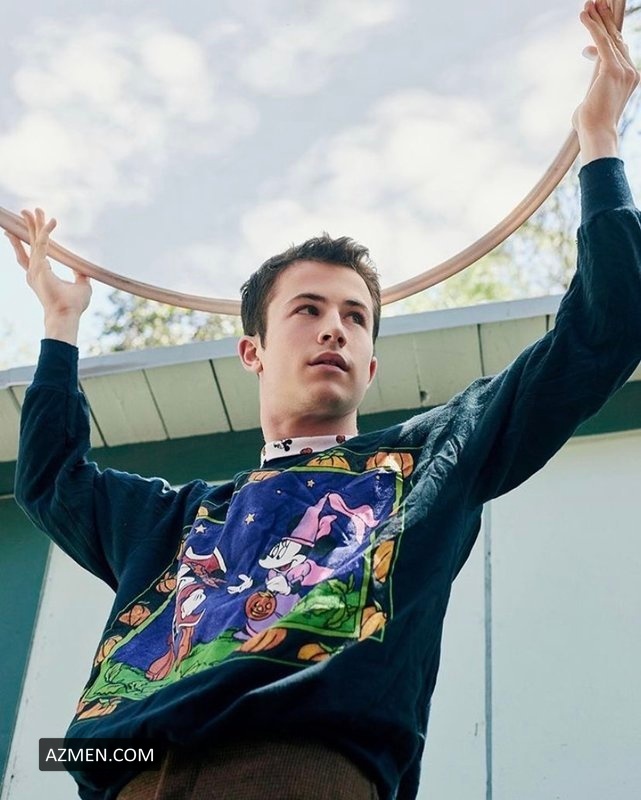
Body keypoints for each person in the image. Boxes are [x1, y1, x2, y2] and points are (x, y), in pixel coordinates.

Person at [6, 2, 641, 799]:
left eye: (355, 317)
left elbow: (606, 328)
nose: (334, 328)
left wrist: (598, 137)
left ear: (371, 366)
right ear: (253, 351)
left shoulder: (430, 461)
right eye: (307, 310)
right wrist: (61, 325)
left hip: (300, 774)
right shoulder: (168, 521)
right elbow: (48, 481)